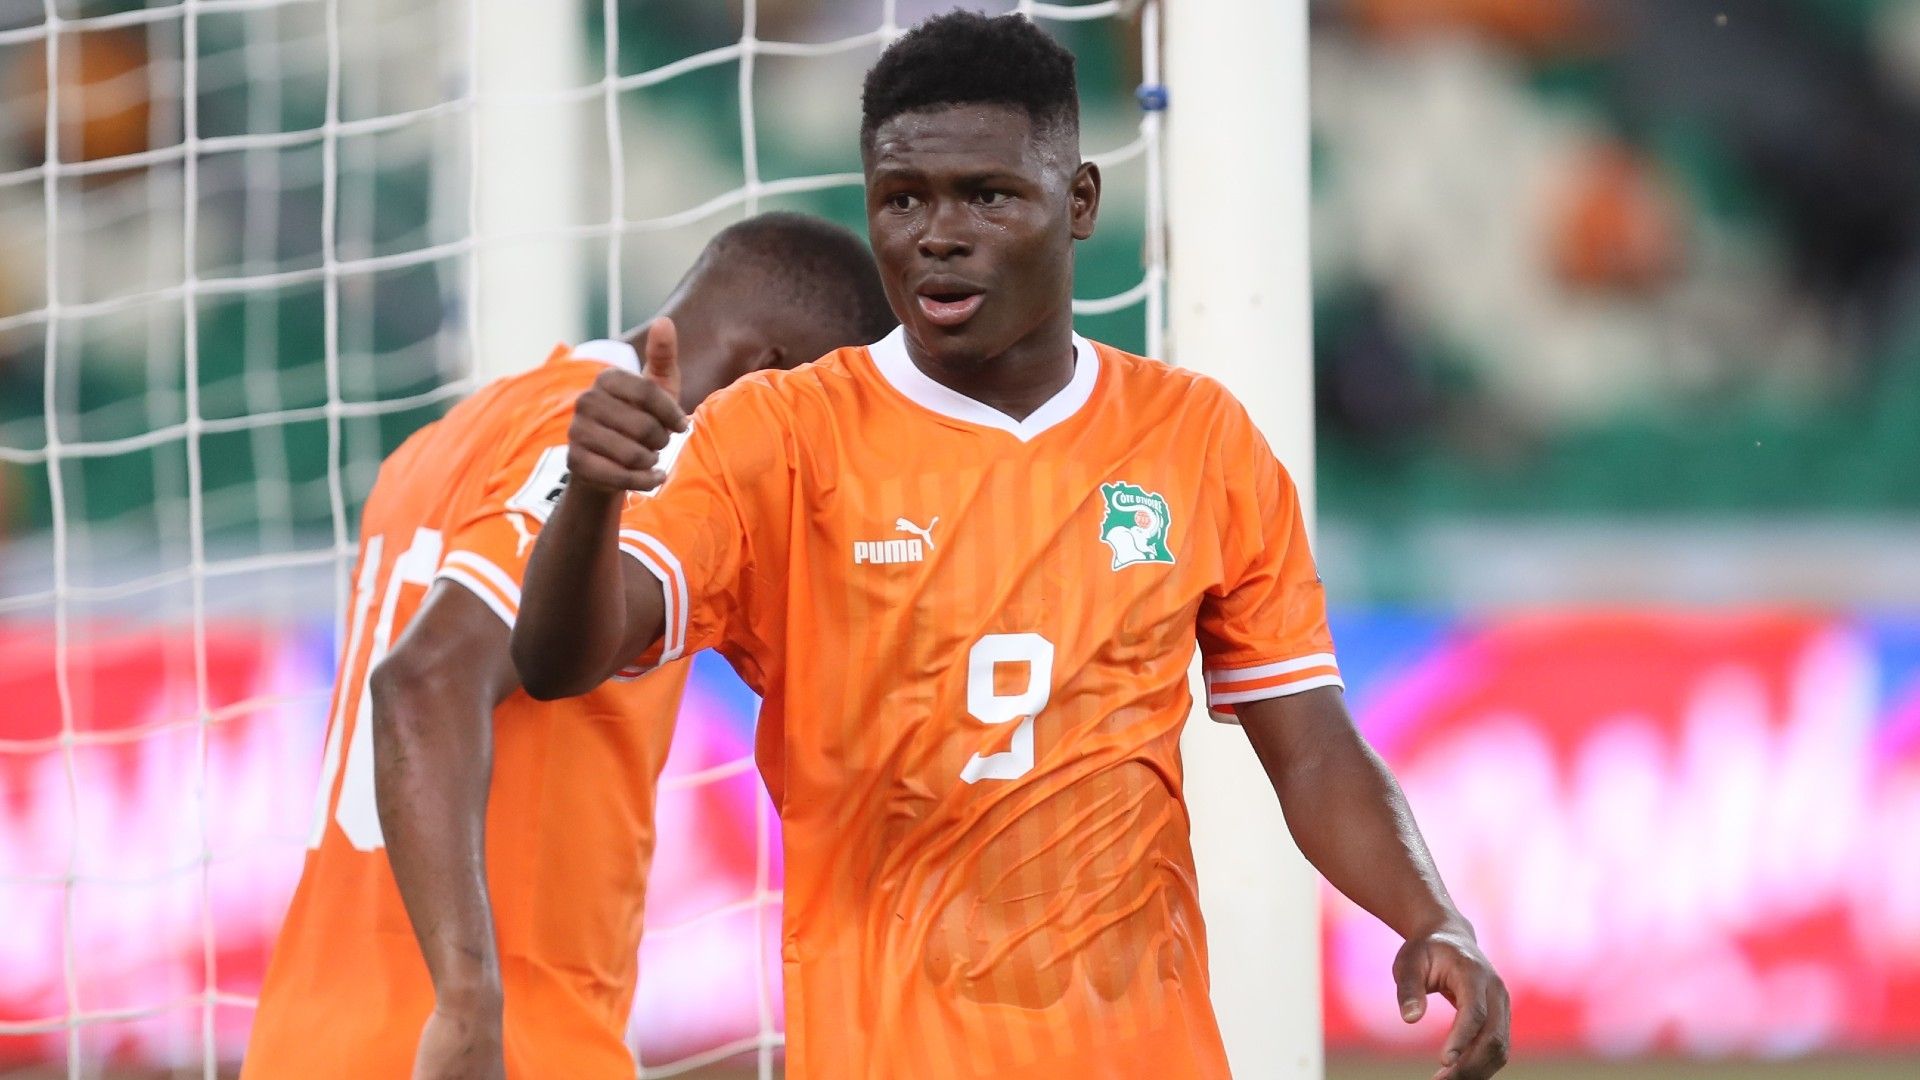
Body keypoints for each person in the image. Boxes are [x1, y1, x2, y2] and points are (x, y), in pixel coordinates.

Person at [513, 13, 1510, 1080]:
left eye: (987, 194)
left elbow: (1307, 740)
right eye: (904, 200)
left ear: (1078, 203)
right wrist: (590, 502)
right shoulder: (780, 437)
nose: (938, 234)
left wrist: (1431, 913)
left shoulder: (1198, 438)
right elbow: (559, 657)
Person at [241, 213, 895, 1080]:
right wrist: (469, 1004)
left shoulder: (447, 440)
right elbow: (425, 679)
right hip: (491, 1043)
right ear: (765, 378)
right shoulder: (616, 458)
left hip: (309, 1035)